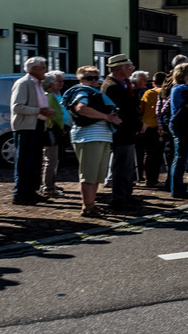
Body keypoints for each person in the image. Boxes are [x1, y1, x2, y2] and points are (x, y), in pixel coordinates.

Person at [62, 65, 122, 218]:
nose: (94, 81)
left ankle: (91, 204)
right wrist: (106, 117)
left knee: (96, 176)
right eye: (89, 78)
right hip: (88, 136)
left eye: (96, 77)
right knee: (89, 175)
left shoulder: (93, 92)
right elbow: (81, 109)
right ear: (80, 79)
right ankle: (87, 207)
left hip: (101, 136)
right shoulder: (82, 92)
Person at [10, 56, 54, 205]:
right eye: (43, 68)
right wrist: (39, 110)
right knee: (25, 162)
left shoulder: (38, 84)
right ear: (33, 69)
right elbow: (17, 107)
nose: (45, 71)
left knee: (35, 162)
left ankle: (31, 192)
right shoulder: (23, 83)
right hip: (26, 127)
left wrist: (45, 112)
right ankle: (20, 194)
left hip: (37, 125)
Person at [101, 54, 141, 212]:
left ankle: (126, 194)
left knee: (128, 166)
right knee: (122, 166)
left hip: (127, 131)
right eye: (129, 66)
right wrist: (136, 124)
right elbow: (122, 111)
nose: (132, 69)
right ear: (119, 68)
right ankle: (119, 198)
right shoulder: (112, 86)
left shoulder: (123, 83)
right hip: (121, 132)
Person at [164, 64, 188, 198]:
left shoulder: (175, 87)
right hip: (182, 124)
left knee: (179, 157)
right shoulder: (183, 88)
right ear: (185, 73)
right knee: (180, 157)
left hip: (177, 124)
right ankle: (177, 189)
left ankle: (175, 188)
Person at [40, 70, 67, 198]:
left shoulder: (48, 94)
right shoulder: (50, 96)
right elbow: (57, 114)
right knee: (51, 159)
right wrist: (62, 127)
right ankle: (48, 187)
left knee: (51, 159)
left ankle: (49, 184)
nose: (61, 83)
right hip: (52, 130)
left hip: (49, 129)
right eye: (57, 81)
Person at [136, 71, 164, 188]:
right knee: (156, 154)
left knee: (147, 154)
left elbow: (141, 109)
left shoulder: (148, 92)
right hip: (157, 127)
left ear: (153, 82)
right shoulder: (164, 92)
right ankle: (153, 179)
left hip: (145, 125)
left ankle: (145, 178)